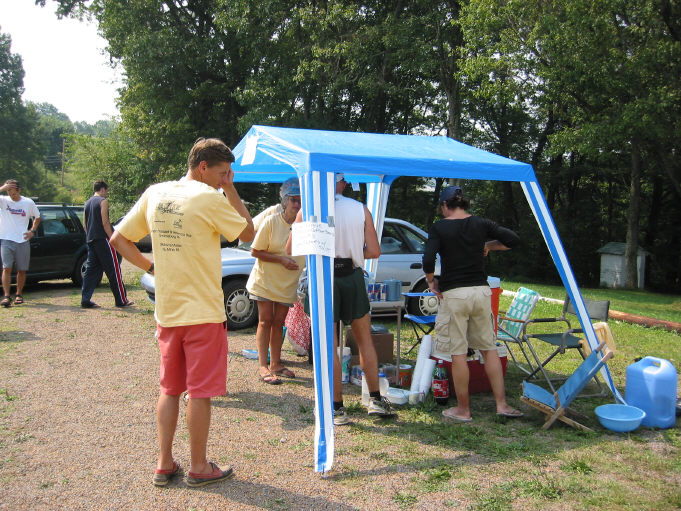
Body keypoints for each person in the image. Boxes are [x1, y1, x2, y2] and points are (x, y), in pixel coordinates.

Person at [110, 137, 254, 488]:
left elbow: (118, 239)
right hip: (203, 312)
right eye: (222, 173)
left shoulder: (156, 192)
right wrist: (230, 191)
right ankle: (199, 466)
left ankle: (163, 463)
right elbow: (248, 232)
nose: (225, 178)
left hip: (168, 311)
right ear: (202, 167)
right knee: (200, 392)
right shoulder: (210, 197)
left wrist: (148, 266)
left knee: (170, 389)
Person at [291, 173, 396, 425]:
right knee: (364, 340)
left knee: (329, 345)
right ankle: (375, 400)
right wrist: (351, 249)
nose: (347, 183)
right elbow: (374, 250)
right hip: (352, 276)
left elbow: (291, 249)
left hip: (323, 277)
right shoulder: (361, 209)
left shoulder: (308, 210)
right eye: (344, 180)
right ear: (340, 184)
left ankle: (337, 408)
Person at [422, 185, 523, 423]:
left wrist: (431, 282)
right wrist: (489, 245)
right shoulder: (482, 224)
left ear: (445, 205)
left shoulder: (440, 227)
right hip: (481, 292)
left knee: (458, 353)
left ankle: (463, 409)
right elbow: (513, 239)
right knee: (489, 350)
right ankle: (502, 404)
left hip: (455, 294)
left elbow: (428, 258)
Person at [247, 178, 305, 384]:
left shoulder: (304, 226)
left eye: (300, 200)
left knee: (279, 323)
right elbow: (255, 251)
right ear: (285, 201)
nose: (297, 204)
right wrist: (281, 259)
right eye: (293, 200)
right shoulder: (272, 221)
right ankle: (263, 365)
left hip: (287, 284)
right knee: (265, 320)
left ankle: (276, 364)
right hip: (265, 280)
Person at [80, 180, 132, 309]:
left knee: (90, 271)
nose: (106, 193)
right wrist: (112, 238)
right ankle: (121, 300)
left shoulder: (87, 203)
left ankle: (85, 299)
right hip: (103, 239)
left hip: (90, 240)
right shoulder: (103, 202)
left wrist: (89, 236)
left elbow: (85, 225)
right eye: (106, 191)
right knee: (114, 269)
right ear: (102, 189)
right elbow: (105, 222)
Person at [0, 179, 41, 307]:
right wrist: (2, 188)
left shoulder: (28, 203)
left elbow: (37, 217)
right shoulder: (3, 200)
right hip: (6, 239)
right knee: (7, 268)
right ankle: (6, 296)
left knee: (21, 270)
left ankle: (18, 294)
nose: (11, 195)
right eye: (9, 192)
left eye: (13, 192)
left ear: (19, 190)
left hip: (22, 240)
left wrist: (32, 231)